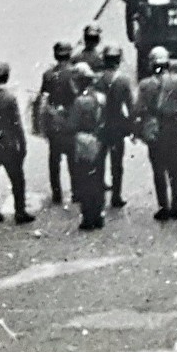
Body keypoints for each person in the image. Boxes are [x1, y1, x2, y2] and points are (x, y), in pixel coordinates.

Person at [134, 46, 177, 221]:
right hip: (174, 126)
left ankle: (163, 206)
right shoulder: (175, 82)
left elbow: (138, 109)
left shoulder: (145, 85)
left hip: (155, 128)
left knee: (158, 169)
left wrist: (138, 129)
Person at [0, 62, 34, 224]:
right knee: (17, 178)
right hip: (8, 144)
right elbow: (17, 124)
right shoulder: (10, 98)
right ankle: (20, 211)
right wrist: (23, 145)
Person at [33, 40, 78, 204]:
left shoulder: (48, 74)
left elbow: (43, 95)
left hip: (54, 120)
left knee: (54, 158)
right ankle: (76, 191)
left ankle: (57, 193)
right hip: (70, 118)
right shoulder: (74, 73)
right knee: (73, 158)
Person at [68, 64, 107, 231]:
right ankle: (98, 214)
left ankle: (88, 217)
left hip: (83, 140)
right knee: (97, 178)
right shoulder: (100, 97)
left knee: (84, 179)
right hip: (98, 138)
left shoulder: (79, 101)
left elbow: (72, 124)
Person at [94, 45, 134, 208]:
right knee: (117, 164)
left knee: (99, 161)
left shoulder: (97, 79)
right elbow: (130, 105)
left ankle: (99, 194)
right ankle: (116, 196)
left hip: (100, 125)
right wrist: (133, 126)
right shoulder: (123, 80)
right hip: (117, 124)